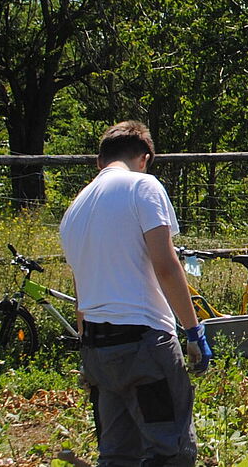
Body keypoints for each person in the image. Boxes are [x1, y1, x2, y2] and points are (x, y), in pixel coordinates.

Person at [59, 121, 210, 466]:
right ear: (144, 159)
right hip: (144, 347)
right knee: (169, 451)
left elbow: (82, 291)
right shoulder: (143, 187)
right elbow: (167, 266)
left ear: (100, 162)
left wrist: (87, 350)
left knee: (117, 455)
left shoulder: (74, 210)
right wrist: (193, 330)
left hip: (98, 352)